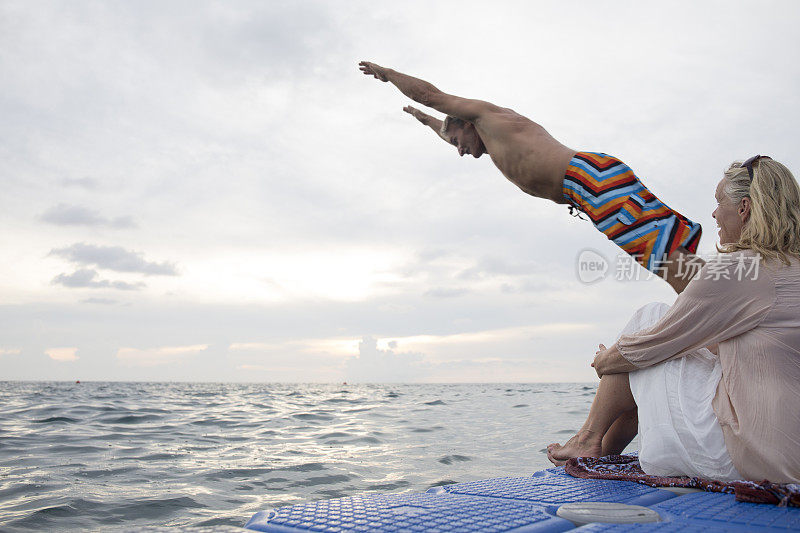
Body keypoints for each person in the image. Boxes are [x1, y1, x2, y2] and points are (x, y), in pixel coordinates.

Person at [547, 156, 800, 483]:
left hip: (749, 456)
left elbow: (650, 345)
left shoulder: (742, 269)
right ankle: (597, 447)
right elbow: (740, 350)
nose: (713, 214)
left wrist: (604, 360)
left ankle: (587, 442)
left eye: (719, 202)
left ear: (744, 208)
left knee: (649, 319)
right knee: (663, 345)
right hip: (790, 454)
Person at [359, 61, 703, 293]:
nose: (459, 150)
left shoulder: (487, 117)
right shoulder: (490, 145)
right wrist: (423, 120)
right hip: (586, 188)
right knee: (665, 257)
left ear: (464, 122)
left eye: (459, 141)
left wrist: (389, 75)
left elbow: (432, 97)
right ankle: (736, 292)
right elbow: (442, 127)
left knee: (666, 259)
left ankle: (728, 310)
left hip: (588, 179)